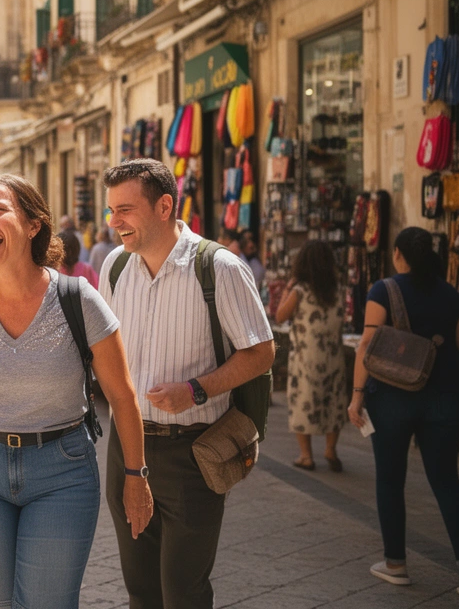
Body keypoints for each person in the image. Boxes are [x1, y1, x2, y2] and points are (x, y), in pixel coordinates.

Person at [0, 174, 150, 609]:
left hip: (62, 474)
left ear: (33, 225)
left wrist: (136, 475)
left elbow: (122, 395)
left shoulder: (78, 298)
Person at [98, 158, 275, 609]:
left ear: (164, 206)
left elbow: (262, 352)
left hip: (193, 453)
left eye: (125, 210)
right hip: (127, 448)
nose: (114, 222)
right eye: (111, 211)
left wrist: (196, 390)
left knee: (184, 593)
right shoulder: (115, 268)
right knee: (141, 591)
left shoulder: (220, 268)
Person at [348, 227, 459, 598]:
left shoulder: (384, 290)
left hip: (392, 398)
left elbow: (366, 344)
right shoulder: (450, 294)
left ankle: (396, 564)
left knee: (390, 480)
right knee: (447, 481)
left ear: (398, 254)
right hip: (444, 396)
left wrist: (357, 396)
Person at [274, 240, 345, 472]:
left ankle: (306, 456)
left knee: (304, 402)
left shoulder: (300, 291)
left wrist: (287, 288)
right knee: (332, 402)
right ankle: (330, 449)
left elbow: (280, 316)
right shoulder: (337, 291)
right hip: (333, 357)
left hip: (306, 358)